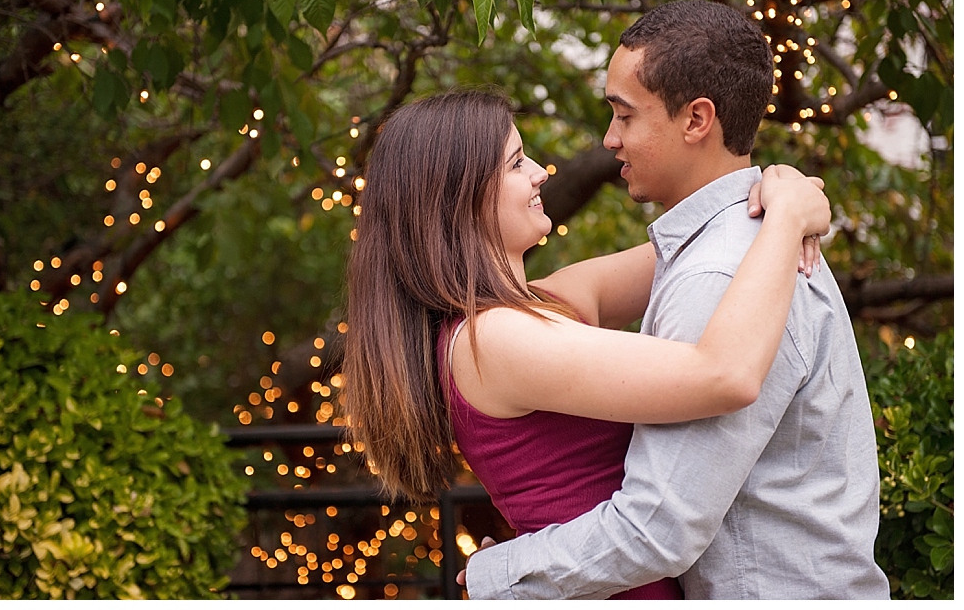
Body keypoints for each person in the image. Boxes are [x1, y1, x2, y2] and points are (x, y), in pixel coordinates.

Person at [461, 0, 890, 599]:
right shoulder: (738, 244)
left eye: (624, 115)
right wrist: (789, 195)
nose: (609, 139)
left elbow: (661, 525)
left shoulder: (720, 271)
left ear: (696, 120)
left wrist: (493, 575)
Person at [342, 84, 832, 599]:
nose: (539, 173)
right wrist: (787, 218)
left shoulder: (543, 305)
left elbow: (704, 243)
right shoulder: (496, 339)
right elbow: (725, 375)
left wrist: (777, 184)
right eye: (515, 164)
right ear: (457, 198)